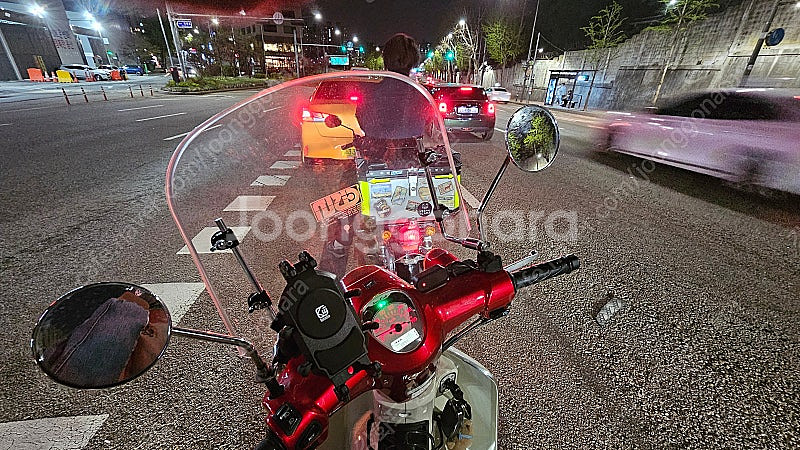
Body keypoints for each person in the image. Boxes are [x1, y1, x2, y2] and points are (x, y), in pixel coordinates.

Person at [318, 33, 433, 277]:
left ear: (385, 60)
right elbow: (428, 124)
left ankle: (328, 279)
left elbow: (364, 122)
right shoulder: (422, 93)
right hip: (412, 168)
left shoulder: (371, 92)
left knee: (339, 219)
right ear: (414, 60)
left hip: (374, 166)